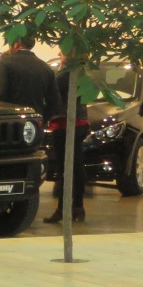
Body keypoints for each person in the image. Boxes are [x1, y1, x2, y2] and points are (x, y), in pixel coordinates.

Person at [46, 57, 89, 223]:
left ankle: (64, 209)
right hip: (77, 122)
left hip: (67, 123)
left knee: (67, 167)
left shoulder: (68, 73)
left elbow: (54, 94)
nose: (59, 52)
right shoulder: (80, 71)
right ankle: (75, 207)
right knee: (75, 166)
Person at [0, 37, 61, 119]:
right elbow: (55, 103)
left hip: (11, 121)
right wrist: (43, 119)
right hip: (34, 123)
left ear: (16, 45)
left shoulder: (5, 63)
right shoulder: (45, 68)